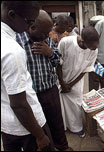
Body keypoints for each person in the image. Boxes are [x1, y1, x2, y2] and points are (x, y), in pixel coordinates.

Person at [1, 1, 55, 151]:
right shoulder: (12, 50)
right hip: (27, 127)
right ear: (12, 15)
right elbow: (19, 104)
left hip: (7, 125)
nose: (29, 28)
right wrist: (40, 135)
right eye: (30, 22)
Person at [16, 10, 72, 151]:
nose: (47, 37)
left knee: (57, 123)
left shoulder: (46, 39)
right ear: (32, 27)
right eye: (44, 34)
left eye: (48, 33)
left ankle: (63, 147)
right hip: (32, 96)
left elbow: (57, 61)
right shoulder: (17, 41)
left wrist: (50, 53)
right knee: (39, 128)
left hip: (50, 90)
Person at [56, 26, 99, 137]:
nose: (95, 49)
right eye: (92, 47)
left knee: (76, 104)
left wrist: (70, 84)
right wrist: (62, 83)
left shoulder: (94, 50)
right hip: (60, 79)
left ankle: (76, 128)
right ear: (83, 42)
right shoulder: (66, 42)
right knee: (59, 106)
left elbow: (86, 69)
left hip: (76, 81)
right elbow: (58, 63)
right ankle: (63, 127)